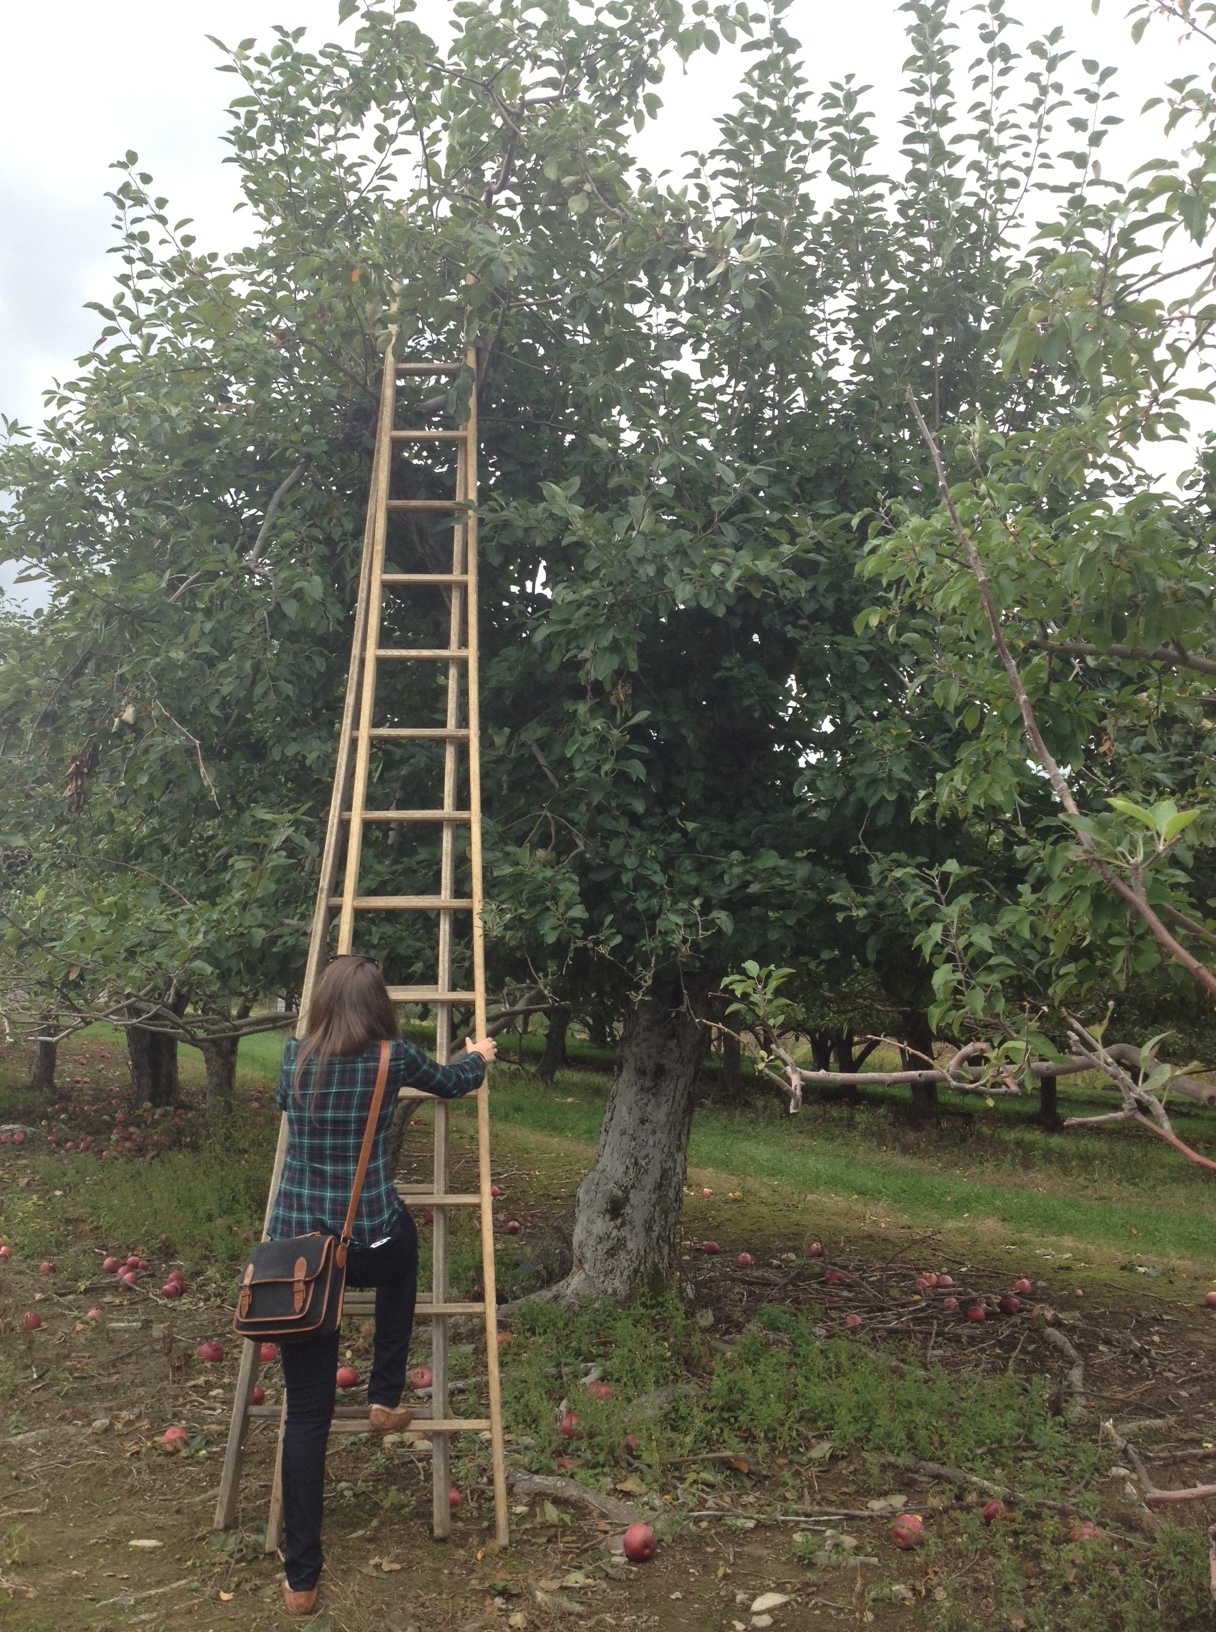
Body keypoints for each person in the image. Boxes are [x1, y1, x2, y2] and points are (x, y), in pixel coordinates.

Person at [267, 954, 498, 1616]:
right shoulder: (393, 1059)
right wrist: (478, 1055)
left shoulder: (294, 1058)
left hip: (299, 1262)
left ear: (322, 1003)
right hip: (365, 1245)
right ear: (378, 1006)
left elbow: (287, 1108)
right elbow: (453, 1082)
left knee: (306, 1416)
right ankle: (384, 1393)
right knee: (404, 1247)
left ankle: (302, 1580)